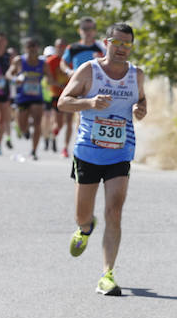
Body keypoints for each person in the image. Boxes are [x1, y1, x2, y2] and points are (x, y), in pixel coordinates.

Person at [57, 23, 147, 296]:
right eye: (116, 43)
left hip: (120, 152)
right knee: (83, 216)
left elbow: (142, 101)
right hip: (88, 151)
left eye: (126, 44)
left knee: (114, 212)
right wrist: (90, 103)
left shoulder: (136, 74)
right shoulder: (89, 70)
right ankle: (85, 228)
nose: (121, 48)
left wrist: (140, 109)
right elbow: (63, 102)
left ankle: (107, 274)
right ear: (106, 43)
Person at [6, 37, 46, 160]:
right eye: (29, 46)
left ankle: (34, 151)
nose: (32, 49)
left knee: (38, 123)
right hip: (22, 97)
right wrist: (15, 79)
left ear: (38, 48)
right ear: (25, 48)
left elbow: (50, 77)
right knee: (22, 126)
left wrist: (56, 83)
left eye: (34, 46)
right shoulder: (19, 61)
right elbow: (8, 74)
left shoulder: (43, 63)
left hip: (37, 97)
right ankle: (25, 130)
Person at [45, 38, 73, 157]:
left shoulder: (71, 60)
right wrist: (59, 85)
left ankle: (65, 147)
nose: (60, 48)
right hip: (57, 95)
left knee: (69, 121)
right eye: (58, 46)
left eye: (62, 46)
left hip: (71, 94)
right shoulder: (51, 61)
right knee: (59, 124)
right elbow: (48, 80)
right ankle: (53, 135)